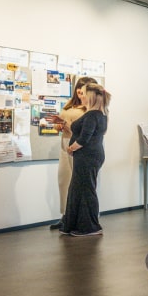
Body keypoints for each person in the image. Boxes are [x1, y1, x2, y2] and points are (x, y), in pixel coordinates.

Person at [47, 76, 98, 230]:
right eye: (78, 90)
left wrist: (66, 125)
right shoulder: (70, 105)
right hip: (65, 145)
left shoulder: (90, 109)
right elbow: (62, 124)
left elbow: (84, 132)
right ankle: (65, 215)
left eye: (83, 91)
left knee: (79, 184)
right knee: (64, 181)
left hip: (79, 147)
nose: (80, 93)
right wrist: (58, 125)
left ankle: (80, 218)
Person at [60, 83, 110, 237]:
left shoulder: (92, 115)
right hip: (90, 155)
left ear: (91, 96)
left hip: (88, 156)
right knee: (78, 188)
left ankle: (90, 227)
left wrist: (71, 148)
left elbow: (84, 138)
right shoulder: (100, 114)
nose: (81, 96)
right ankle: (74, 224)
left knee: (86, 189)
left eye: (83, 93)